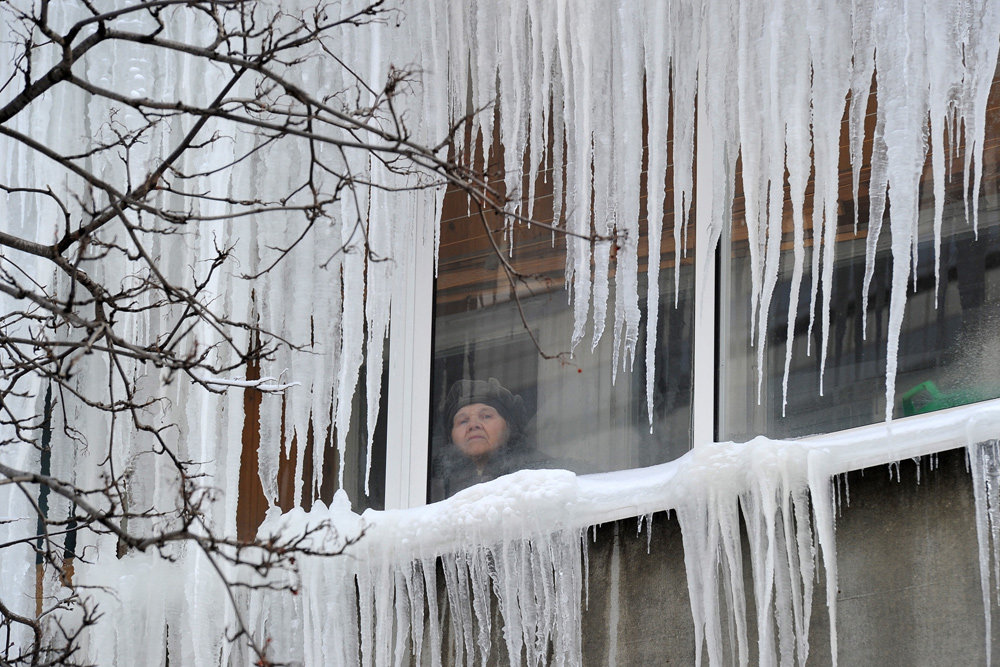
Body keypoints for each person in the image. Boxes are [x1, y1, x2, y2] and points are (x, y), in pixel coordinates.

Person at [430, 378, 552, 500]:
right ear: (451, 437)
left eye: (486, 416)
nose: (473, 425)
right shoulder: (434, 488)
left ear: (509, 426)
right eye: (463, 421)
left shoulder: (543, 475)